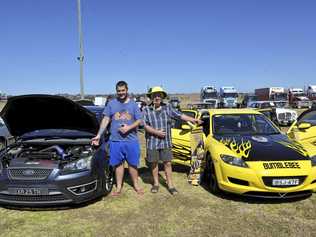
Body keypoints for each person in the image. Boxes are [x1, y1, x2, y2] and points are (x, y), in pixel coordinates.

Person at [143, 86, 202, 195]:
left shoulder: (168, 108)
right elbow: (145, 126)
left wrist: (193, 119)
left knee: (168, 163)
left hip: (165, 142)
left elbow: (180, 116)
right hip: (152, 141)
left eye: (159, 95)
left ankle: (170, 185)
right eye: (155, 95)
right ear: (151, 97)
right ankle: (156, 184)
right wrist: (157, 132)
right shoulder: (146, 110)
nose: (157, 97)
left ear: (162, 97)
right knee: (154, 164)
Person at [91, 81, 143, 196]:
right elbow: (105, 119)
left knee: (132, 164)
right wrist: (99, 134)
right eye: (119, 91)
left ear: (127, 90)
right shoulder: (111, 104)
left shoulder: (133, 104)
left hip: (131, 140)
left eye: (123, 90)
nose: (121, 93)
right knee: (118, 165)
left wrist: (129, 127)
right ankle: (119, 187)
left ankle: (136, 185)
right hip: (115, 140)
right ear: (116, 91)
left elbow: (139, 120)